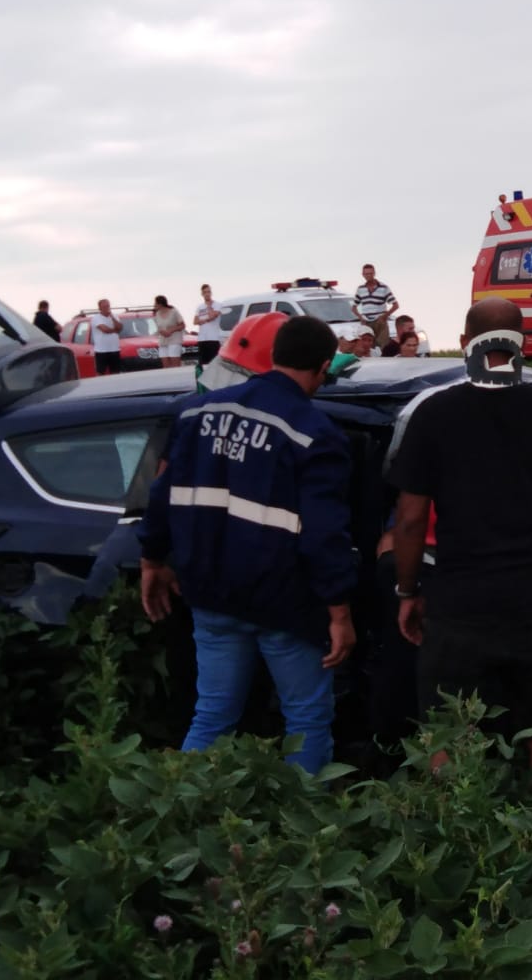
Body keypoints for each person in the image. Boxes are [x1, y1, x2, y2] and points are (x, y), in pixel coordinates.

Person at [387, 298, 532, 792]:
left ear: (466, 344)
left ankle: (460, 825)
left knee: (449, 728)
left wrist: (407, 591)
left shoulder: (433, 414)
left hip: (457, 599)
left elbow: (411, 520)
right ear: (521, 344)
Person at [137, 315, 357, 775]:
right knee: (306, 721)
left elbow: (161, 495)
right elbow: (323, 535)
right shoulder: (313, 433)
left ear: (273, 356)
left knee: (212, 715)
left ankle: (185, 805)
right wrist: (339, 611)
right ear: (323, 367)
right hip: (284, 605)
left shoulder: (195, 413)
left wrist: (152, 559)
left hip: (210, 595)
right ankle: (303, 815)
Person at [355, 263, 399, 347]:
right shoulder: (361, 289)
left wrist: (385, 316)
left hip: (380, 321)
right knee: (369, 347)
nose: (368, 276)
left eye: (370, 273)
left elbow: (395, 305)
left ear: (374, 273)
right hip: (367, 323)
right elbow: (354, 307)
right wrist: (361, 318)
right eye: (366, 274)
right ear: (363, 275)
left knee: (383, 346)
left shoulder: (383, 288)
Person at [89, 300, 123, 376]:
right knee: (101, 372)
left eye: (108, 306)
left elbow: (120, 328)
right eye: (104, 306)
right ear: (100, 308)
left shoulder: (115, 316)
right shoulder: (96, 318)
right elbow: (105, 330)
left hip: (114, 349)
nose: (107, 308)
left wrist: (112, 318)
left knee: (116, 372)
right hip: (102, 351)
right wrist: (115, 330)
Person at [152, 295, 186, 369]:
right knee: (166, 366)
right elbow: (159, 328)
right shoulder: (157, 314)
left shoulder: (174, 312)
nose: (154, 305)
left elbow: (182, 325)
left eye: (155, 303)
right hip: (163, 341)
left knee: (175, 365)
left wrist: (171, 330)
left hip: (174, 340)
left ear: (160, 304)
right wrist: (161, 332)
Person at [194, 284, 224, 366]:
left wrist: (209, 306)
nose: (207, 294)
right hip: (202, 339)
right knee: (203, 363)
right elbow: (195, 321)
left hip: (213, 338)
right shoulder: (199, 307)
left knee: (213, 363)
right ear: (202, 294)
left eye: (208, 292)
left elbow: (212, 317)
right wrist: (205, 320)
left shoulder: (217, 305)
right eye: (205, 292)